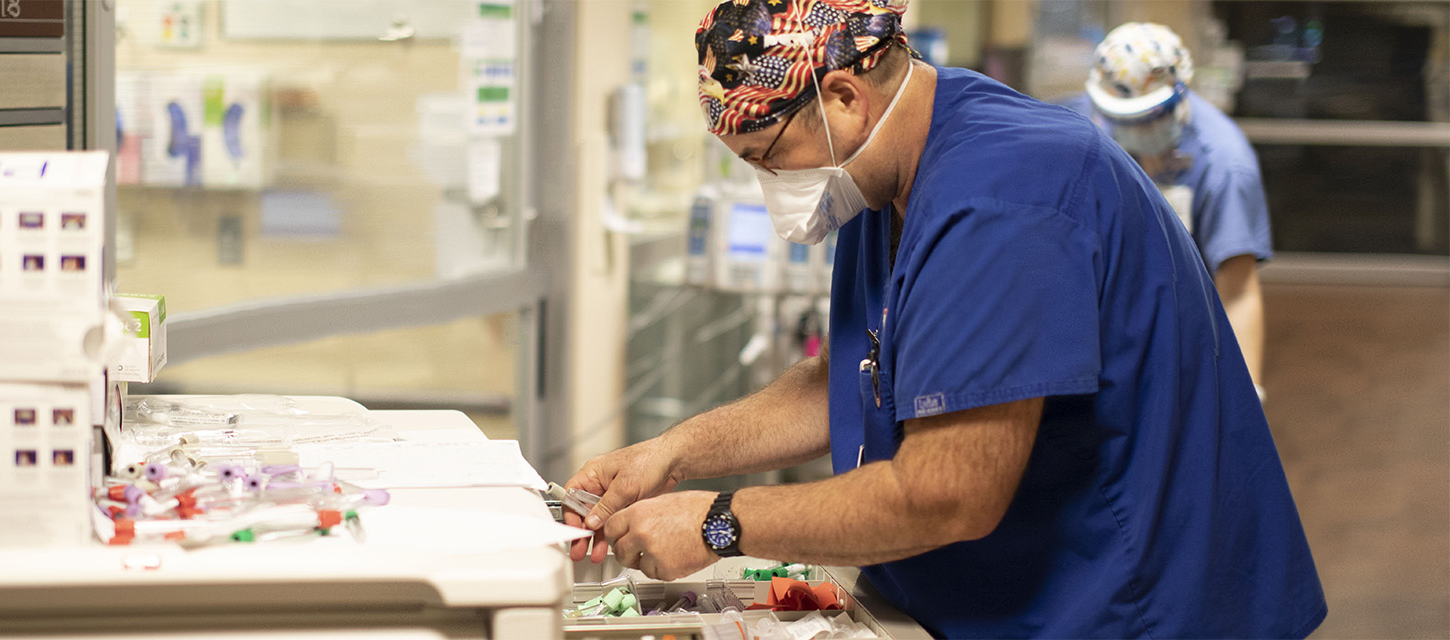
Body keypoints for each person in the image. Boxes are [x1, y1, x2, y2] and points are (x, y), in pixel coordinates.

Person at [564, 1, 1325, 637]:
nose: (769, 182)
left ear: (843, 98)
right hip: (983, 594)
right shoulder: (884, 166)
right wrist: (673, 451)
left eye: (767, 154)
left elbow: (947, 493)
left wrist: (719, 523)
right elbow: (854, 374)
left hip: (1129, 604)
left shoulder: (1003, 200)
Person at [1063, 23, 1273, 398]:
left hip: (1177, 330)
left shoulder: (1223, 162)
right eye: (1123, 118)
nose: (1137, 128)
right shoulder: (1072, 125)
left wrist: (1248, 395)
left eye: (1150, 116)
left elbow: (1238, 288)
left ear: (1181, 93)